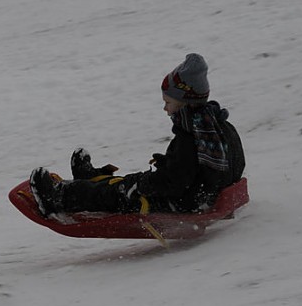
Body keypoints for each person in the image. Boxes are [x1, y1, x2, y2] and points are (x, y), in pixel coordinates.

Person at [29, 54, 245, 217]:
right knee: (129, 184)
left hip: (177, 204)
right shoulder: (217, 127)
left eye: (168, 103)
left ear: (185, 103)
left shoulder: (191, 138)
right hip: (192, 197)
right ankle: (92, 180)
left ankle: (57, 198)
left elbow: (175, 181)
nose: (165, 109)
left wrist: (145, 184)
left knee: (119, 193)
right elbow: (230, 166)